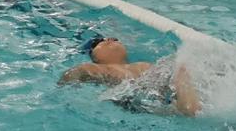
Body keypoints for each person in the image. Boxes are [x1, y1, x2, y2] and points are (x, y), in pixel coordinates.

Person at [60, 35, 202, 117]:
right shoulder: (93, 68)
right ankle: (188, 108)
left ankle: (188, 106)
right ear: (93, 55)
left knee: (175, 66)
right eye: (100, 42)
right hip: (131, 99)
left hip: (156, 94)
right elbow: (69, 78)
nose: (109, 40)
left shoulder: (144, 65)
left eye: (114, 39)